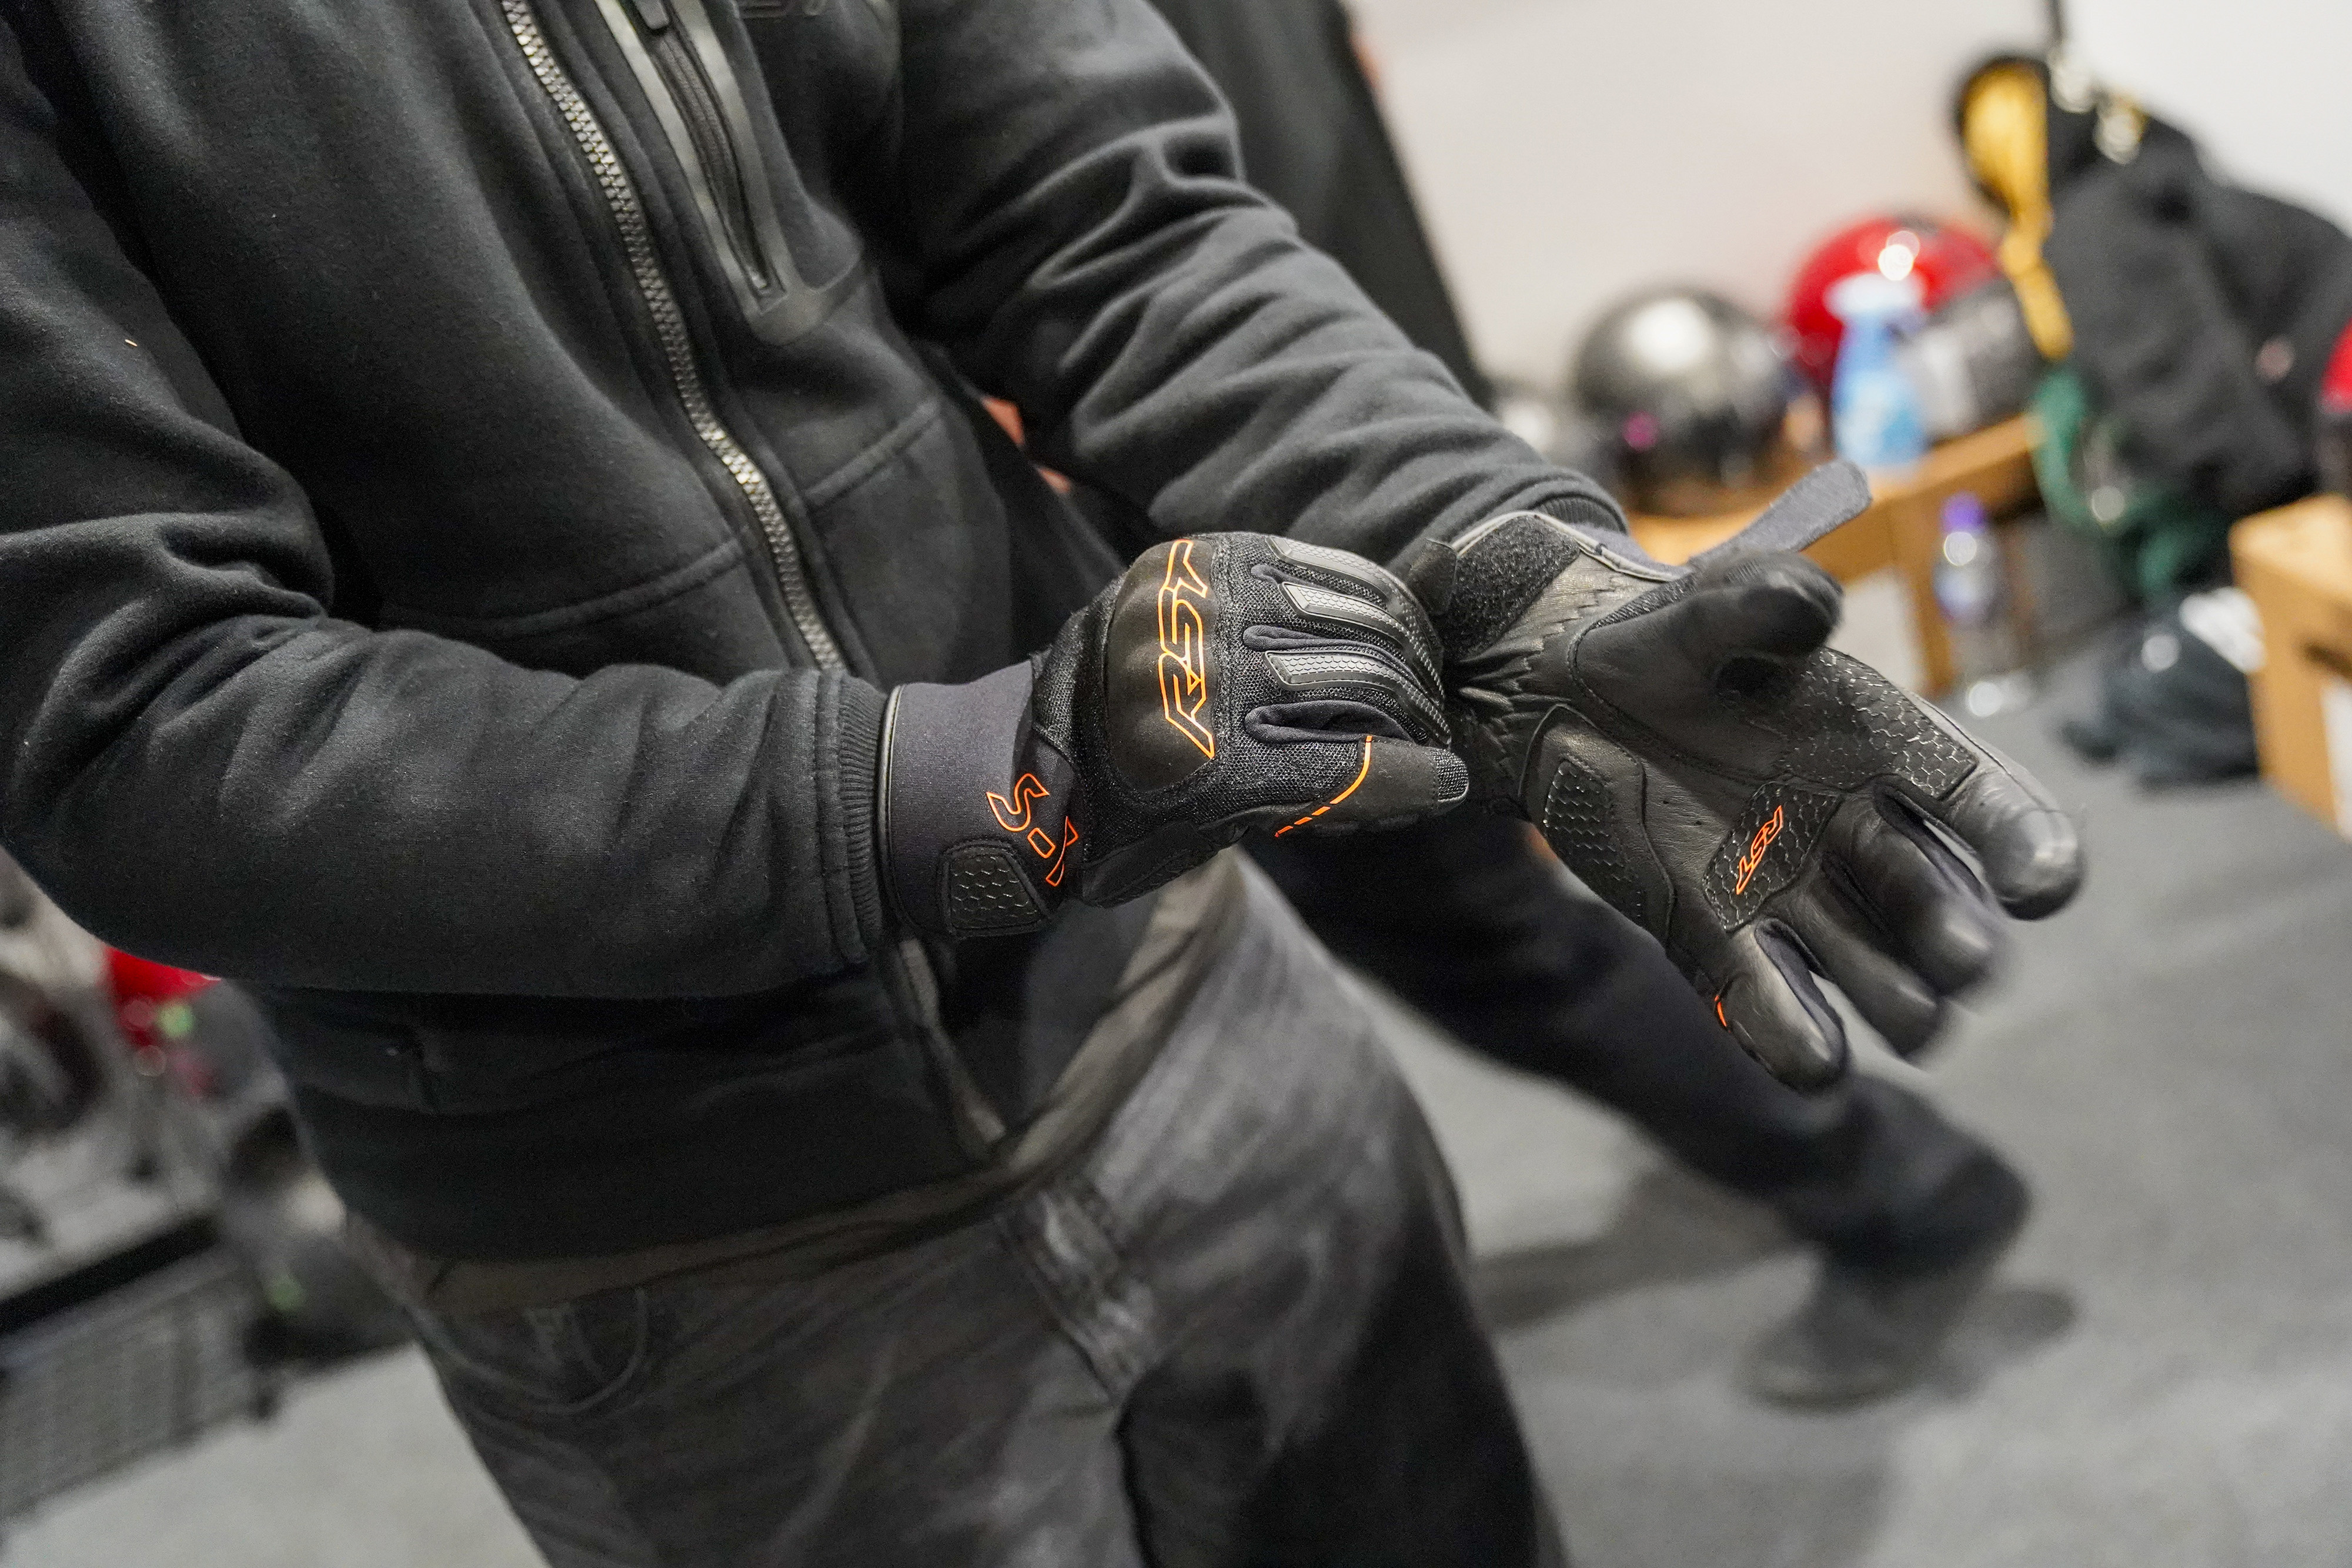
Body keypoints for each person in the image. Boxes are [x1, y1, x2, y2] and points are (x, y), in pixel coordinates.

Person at [0, 2, 2079, 1564]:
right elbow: (140, 713)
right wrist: (965, 790)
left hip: (1195, 1007)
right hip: (677, 1242)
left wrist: (1493, 550)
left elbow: (1110, 220)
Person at [1141, 0, 2044, 1405]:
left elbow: (1135, 260)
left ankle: (1900, 1188)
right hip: (1342, 467)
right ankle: (1887, 1178)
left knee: (1488, 936)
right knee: (1479, 927)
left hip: (1276, 544)